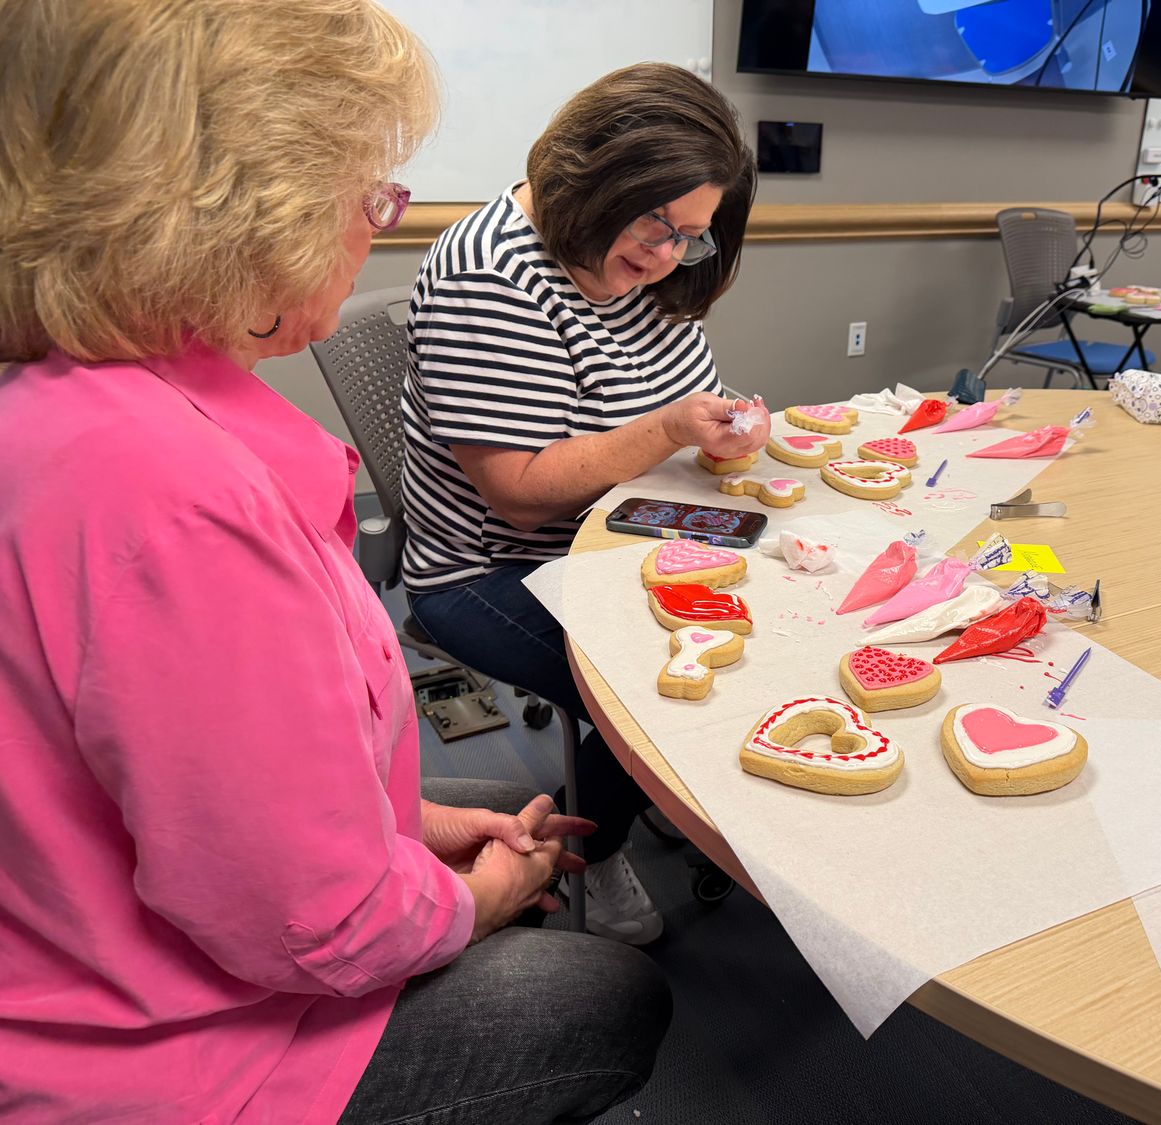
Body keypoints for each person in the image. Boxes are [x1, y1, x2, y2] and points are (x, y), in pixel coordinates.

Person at [0, 2, 668, 1122]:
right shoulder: (171, 494)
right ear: (237, 215)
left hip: (75, 910)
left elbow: (203, 772)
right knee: (607, 991)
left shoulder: (84, 401)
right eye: (368, 194)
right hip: (135, 1052)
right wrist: (477, 903)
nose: (376, 223)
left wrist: (400, 822)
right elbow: (313, 920)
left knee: (505, 801)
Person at [401, 63, 767, 945]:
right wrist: (673, 429)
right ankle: (582, 851)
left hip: (614, 540)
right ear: (590, 177)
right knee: (664, 696)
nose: (664, 255)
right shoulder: (490, 273)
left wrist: (719, 430)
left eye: (690, 235)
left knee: (760, 641)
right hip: (489, 566)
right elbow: (520, 495)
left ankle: (660, 789)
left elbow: (680, 407)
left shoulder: (653, 266)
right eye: (654, 222)